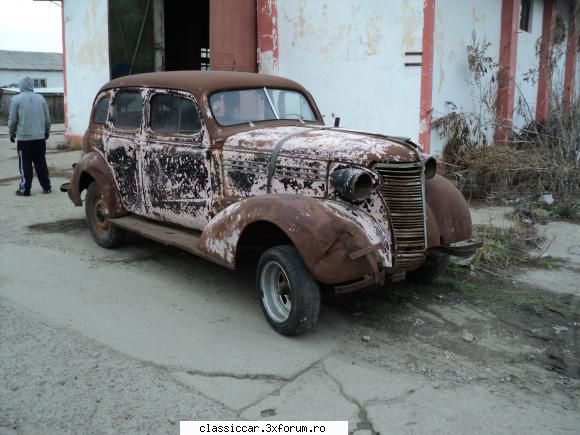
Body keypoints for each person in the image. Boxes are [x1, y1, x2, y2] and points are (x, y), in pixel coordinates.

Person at [8, 76, 52, 196]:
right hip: (39, 138)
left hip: (24, 138)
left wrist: (12, 133)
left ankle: (25, 189)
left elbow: (12, 119)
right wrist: (46, 131)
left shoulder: (16, 99)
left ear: (21, 85)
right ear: (32, 85)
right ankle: (46, 187)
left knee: (25, 164)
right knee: (41, 163)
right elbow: (47, 118)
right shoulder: (41, 98)